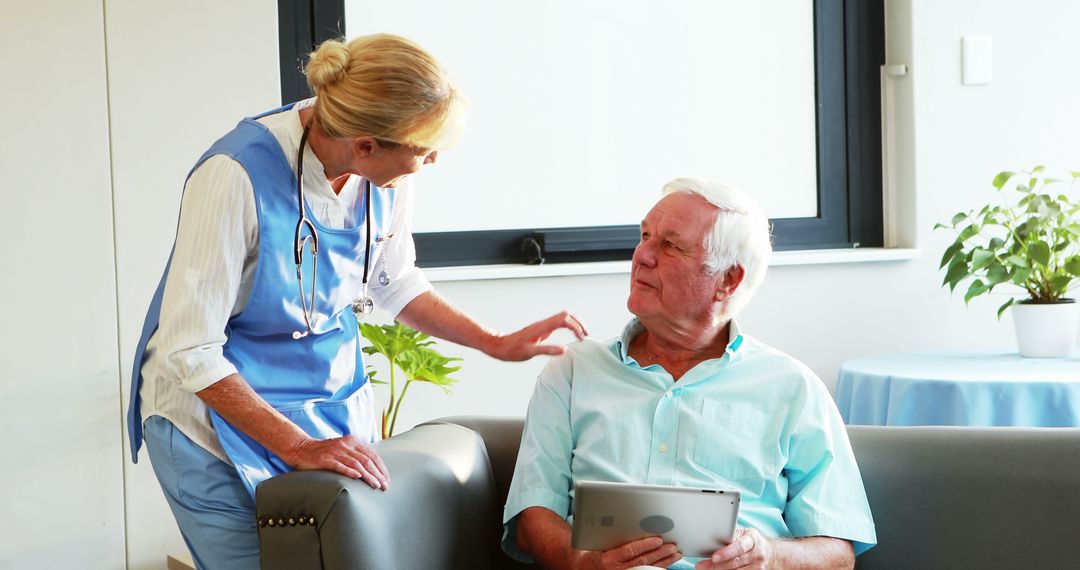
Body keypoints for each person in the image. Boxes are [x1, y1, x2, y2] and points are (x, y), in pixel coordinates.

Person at [127, 34, 587, 569]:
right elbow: (191, 350)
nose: (433, 159)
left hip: (326, 404)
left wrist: (493, 341)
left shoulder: (384, 171)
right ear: (365, 144)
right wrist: (298, 447)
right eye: (423, 150)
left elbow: (394, 281)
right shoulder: (234, 176)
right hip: (211, 419)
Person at [502, 178, 876, 569]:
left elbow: (838, 552)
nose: (642, 256)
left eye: (670, 245)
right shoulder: (573, 371)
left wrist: (770, 556)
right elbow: (532, 517)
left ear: (727, 280)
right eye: (644, 236)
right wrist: (582, 563)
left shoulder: (792, 387)